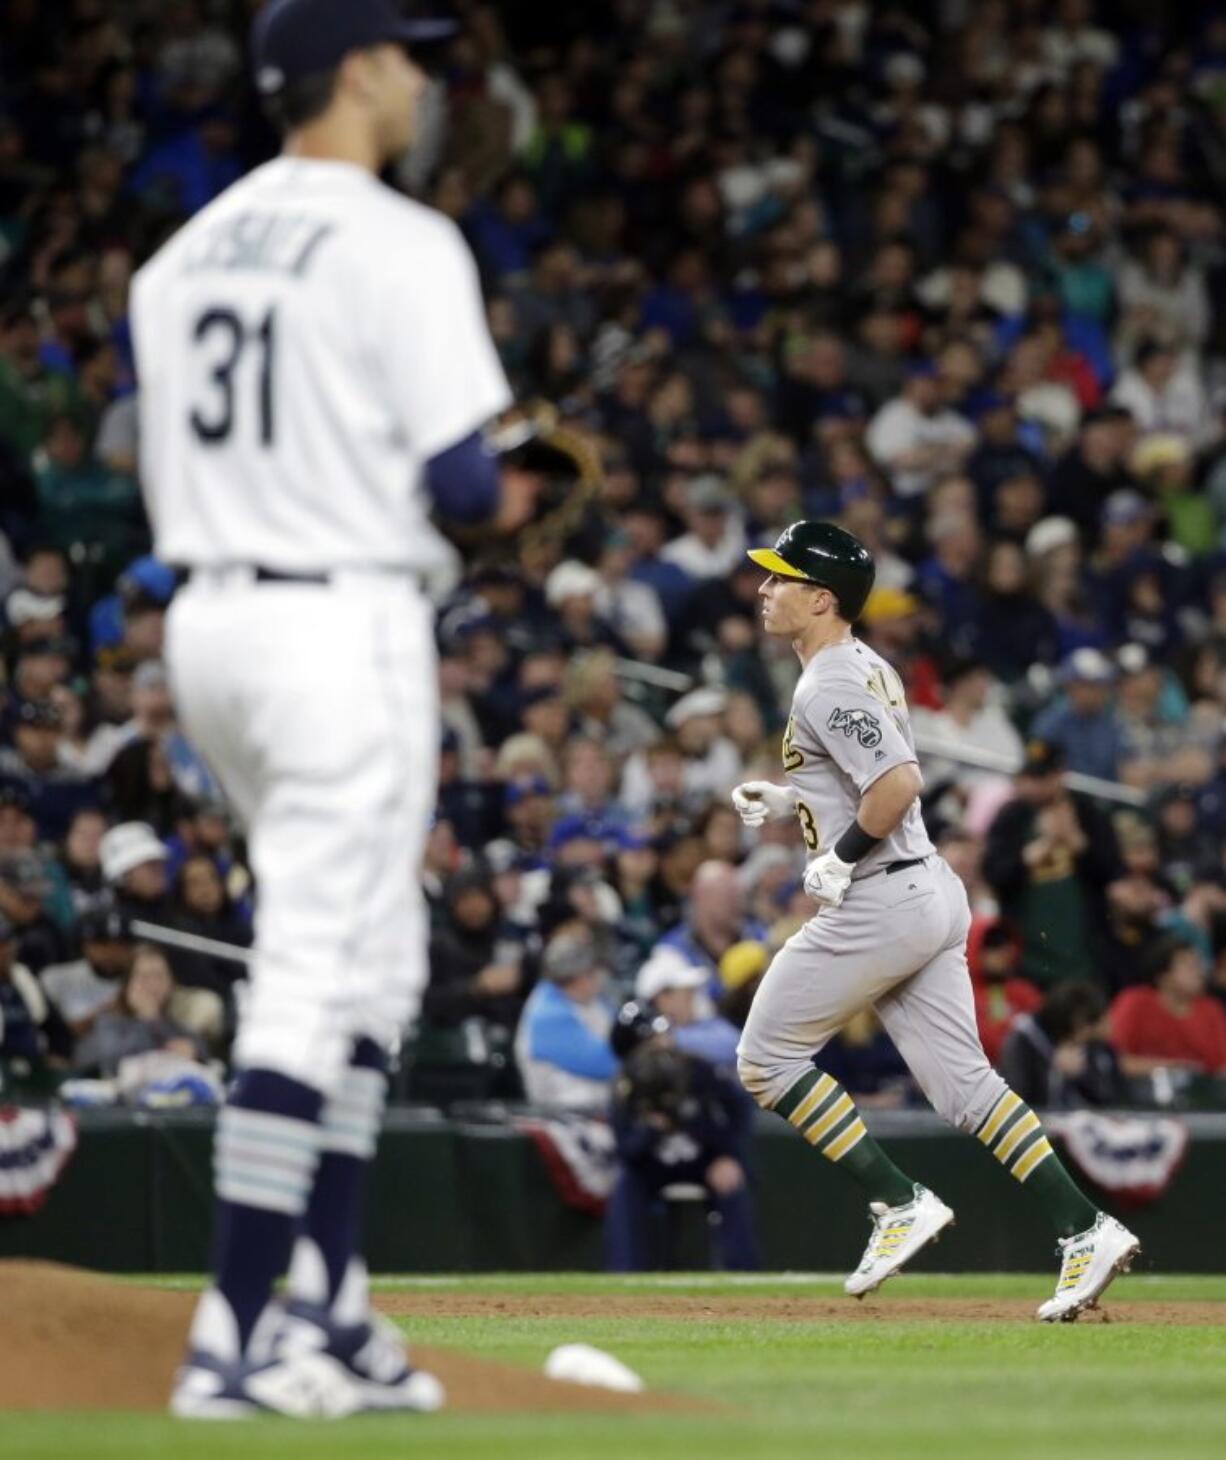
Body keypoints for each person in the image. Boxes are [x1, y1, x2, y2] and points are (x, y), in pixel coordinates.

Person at [131, 0, 542, 1418]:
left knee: (377, 957)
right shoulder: (396, 238)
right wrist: (526, 481)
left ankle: (333, 1308)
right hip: (337, 620)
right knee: (316, 974)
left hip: (214, 626)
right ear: (357, 70)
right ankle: (234, 1340)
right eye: (411, 57)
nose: (425, 81)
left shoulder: (184, 253)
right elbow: (467, 491)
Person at [730, 520, 1137, 1322]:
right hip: (924, 889)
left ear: (822, 597)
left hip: (883, 894)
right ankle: (1084, 1226)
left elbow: (899, 783)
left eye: (781, 578)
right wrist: (792, 802)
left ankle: (895, 1200)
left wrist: (840, 855)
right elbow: (866, 778)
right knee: (965, 1089)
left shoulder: (829, 680)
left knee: (765, 1059)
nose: (764, 588)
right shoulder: (856, 664)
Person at [514, 923, 618, 1110]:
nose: (597, 978)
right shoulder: (547, 1013)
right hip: (563, 1113)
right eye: (590, 973)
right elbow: (606, 1065)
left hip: (599, 1104)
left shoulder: (592, 1000)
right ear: (574, 977)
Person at [1110, 936, 1226, 1077]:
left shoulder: (1211, 1009)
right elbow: (1116, 1060)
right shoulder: (1135, 1003)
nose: (1199, 972)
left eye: (1198, 964)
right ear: (1163, 976)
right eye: (1189, 966)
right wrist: (1173, 1068)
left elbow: (1222, 1065)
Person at [999, 981, 1125, 1109]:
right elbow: (1017, 1101)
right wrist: (1054, 1073)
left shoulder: (1093, 1045)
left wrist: (1082, 1074)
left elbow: (1107, 1100)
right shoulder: (1024, 1041)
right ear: (1078, 1021)